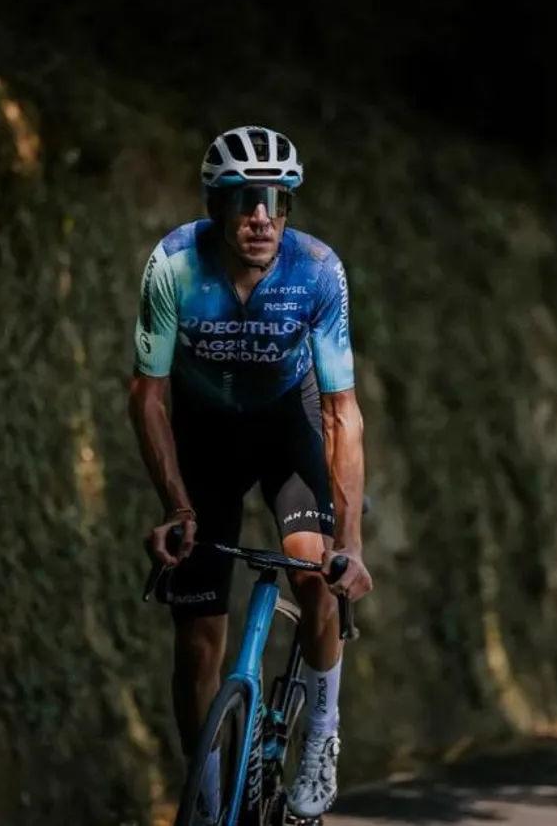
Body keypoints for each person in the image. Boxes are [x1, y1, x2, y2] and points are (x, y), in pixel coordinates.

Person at [128, 124, 373, 820]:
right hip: (205, 439)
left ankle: (321, 734)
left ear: (289, 208)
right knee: (199, 637)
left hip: (284, 431)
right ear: (217, 205)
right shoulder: (174, 265)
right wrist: (176, 506)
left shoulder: (318, 270)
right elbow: (146, 396)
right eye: (244, 199)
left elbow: (341, 411)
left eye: (275, 200)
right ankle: (206, 791)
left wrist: (350, 538)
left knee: (312, 570)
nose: (261, 215)